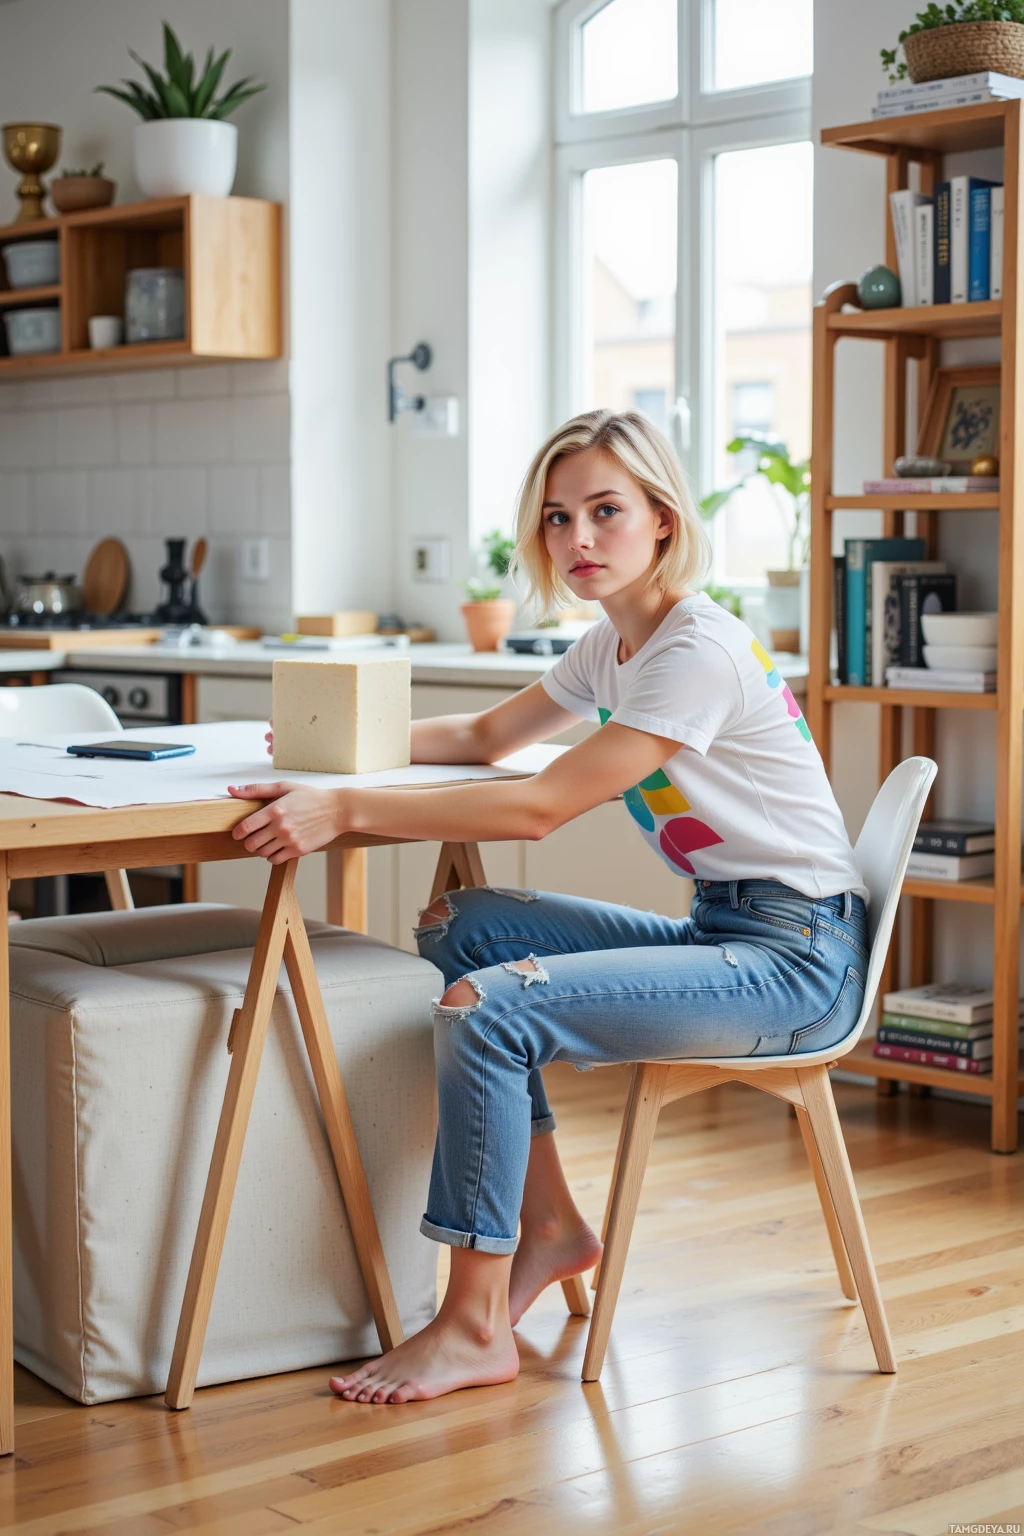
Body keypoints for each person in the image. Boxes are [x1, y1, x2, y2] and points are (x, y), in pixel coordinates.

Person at [228, 408, 867, 1406]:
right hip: (726, 928)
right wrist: (330, 744)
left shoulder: (692, 647)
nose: (576, 540)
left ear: (661, 517)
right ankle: (556, 1227)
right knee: (464, 927)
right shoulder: (613, 645)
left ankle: (474, 1325)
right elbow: (488, 734)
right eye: (558, 517)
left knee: (489, 1006)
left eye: (603, 512)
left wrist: (346, 807)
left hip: (793, 965)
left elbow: (539, 806)